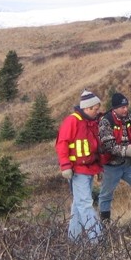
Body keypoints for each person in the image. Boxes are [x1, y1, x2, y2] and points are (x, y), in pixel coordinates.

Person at [55, 89, 104, 242]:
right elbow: (62, 143)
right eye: (95, 109)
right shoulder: (72, 121)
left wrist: (99, 168)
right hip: (77, 171)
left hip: (88, 169)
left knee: (78, 204)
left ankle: (73, 240)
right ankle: (97, 240)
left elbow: (95, 147)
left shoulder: (91, 122)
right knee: (85, 204)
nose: (97, 112)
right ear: (87, 108)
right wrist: (65, 166)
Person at [98, 92, 131, 227]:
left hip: (128, 164)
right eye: (122, 107)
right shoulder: (105, 121)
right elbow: (108, 145)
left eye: (126, 106)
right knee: (106, 196)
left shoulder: (130, 118)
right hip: (111, 166)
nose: (125, 109)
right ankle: (105, 227)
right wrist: (127, 151)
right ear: (114, 108)